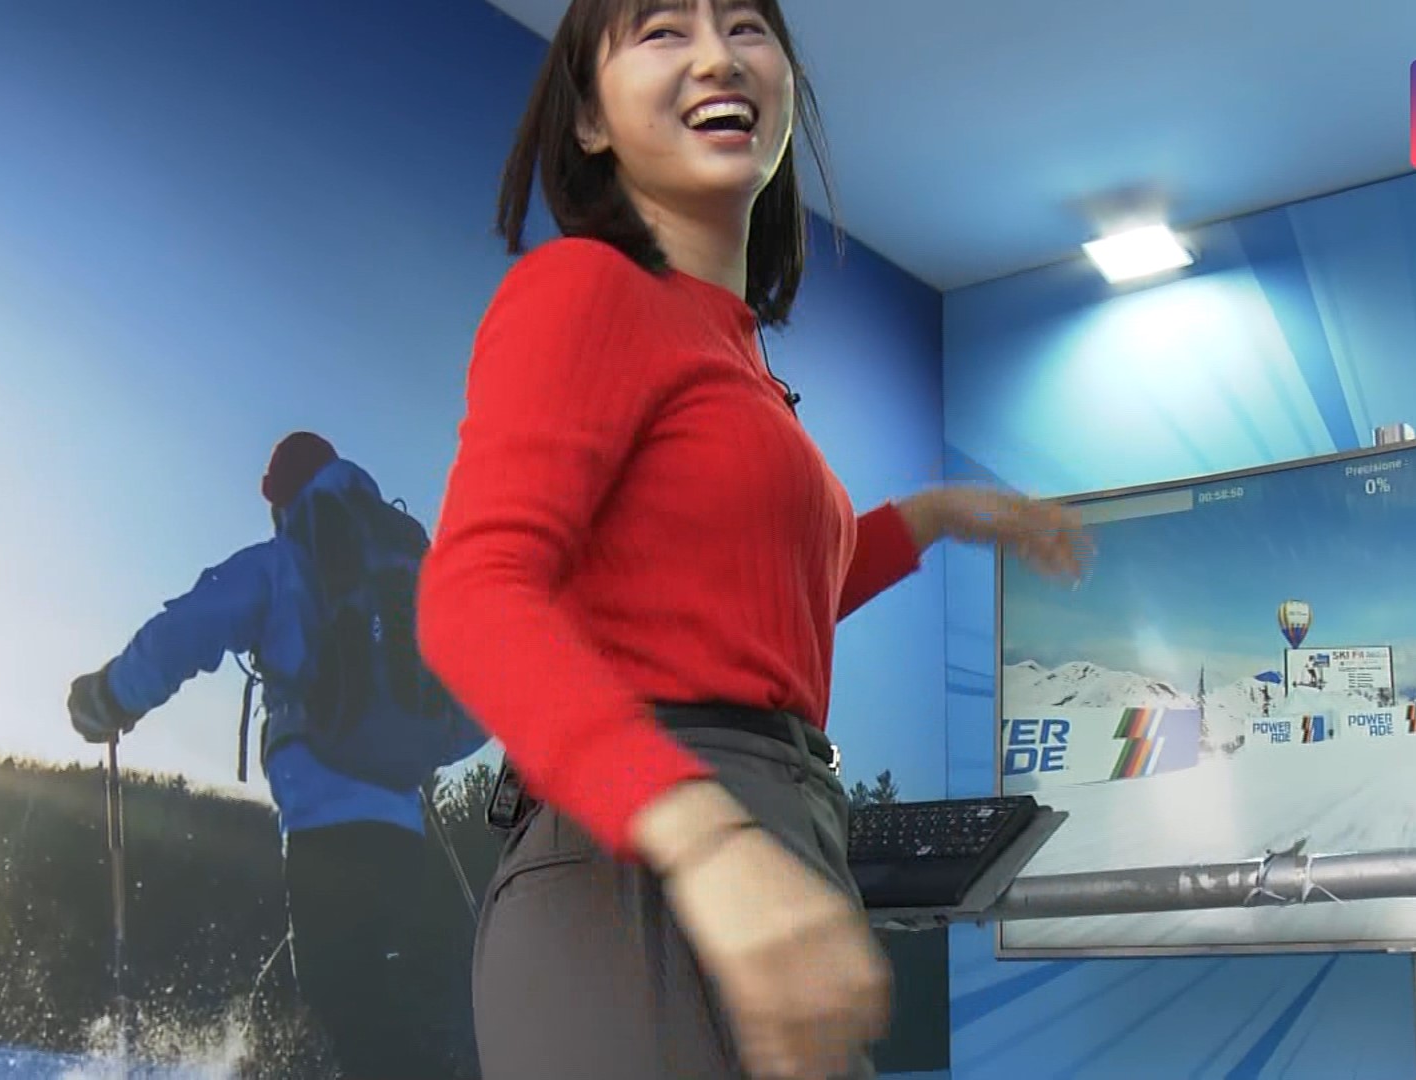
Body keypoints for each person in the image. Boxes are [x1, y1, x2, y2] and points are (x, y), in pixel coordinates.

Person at [412, 2, 1090, 1077]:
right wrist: (705, 838)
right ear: (588, 118)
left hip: (766, 828)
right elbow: (473, 593)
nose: (717, 56)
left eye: (743, 25)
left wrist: (943, 515)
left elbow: (772, 598)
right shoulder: (586, 287)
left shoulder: (736, 359)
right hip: (641, 856)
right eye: (661, 31)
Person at [65, 431, 489, 1079]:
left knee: (341, 996)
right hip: (403, 833)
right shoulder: (403, 572)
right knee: (343, 989)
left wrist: (112, 696)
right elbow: (472, 698)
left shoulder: (286, 562)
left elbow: (191, 625)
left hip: (326, 826)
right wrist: (413, 748)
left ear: (281, 500)